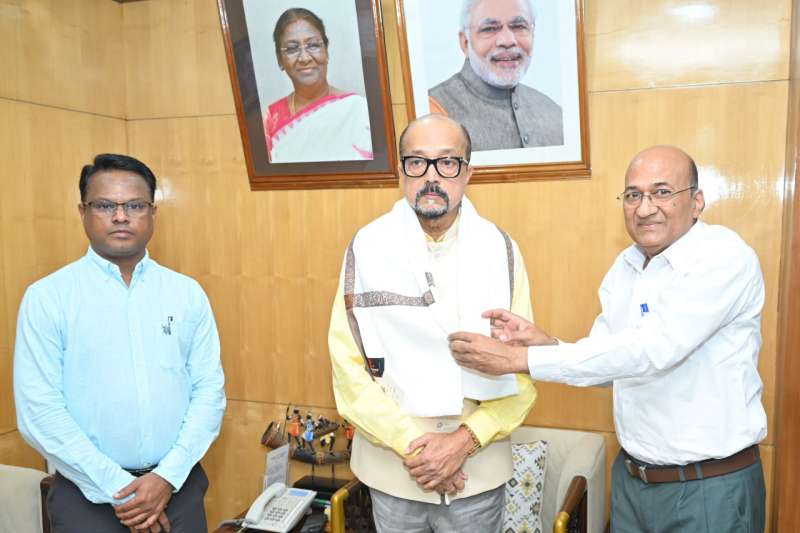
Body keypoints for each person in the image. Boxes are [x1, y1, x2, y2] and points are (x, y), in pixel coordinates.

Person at [449, 146, 767, 532]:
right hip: (634, 482)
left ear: (696, 201)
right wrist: (543, 344)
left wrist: (519, 361)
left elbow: (653, 350)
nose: (645, 208)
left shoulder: (723, 257)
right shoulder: (627, 266)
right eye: (633, 195)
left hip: (708, 488)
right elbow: (609, 363)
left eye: (662, 192)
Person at [329, 114, 536, 532]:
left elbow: (524, 366)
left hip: (476, 470)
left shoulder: (501, 250)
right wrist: (418, 450)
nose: (431, 176)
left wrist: (463, 442)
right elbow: (347, 368)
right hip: (396, 470)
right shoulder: (367, 248)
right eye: (417, 162)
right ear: (400, 172)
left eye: (447, 162)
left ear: (467, 172)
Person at [14, 154, 226, 533]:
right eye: (104, 205)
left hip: (177, 491)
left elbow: (209, 392)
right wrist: (122, 491)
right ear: (83, 212)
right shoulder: (48, 298)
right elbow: (39, 412)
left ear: (153, 213)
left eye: (135, 205)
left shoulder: (186, 293)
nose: (121, 216)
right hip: (87, 500)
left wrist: (165, 477)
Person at [429, 0, 563, 151]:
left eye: (519, 26)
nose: (507, 41)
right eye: (489, 29)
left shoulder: (555, 113)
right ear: (465, 42)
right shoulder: (433, 111)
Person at [264, 8, 373, 163]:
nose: (304, 58)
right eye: (292, 48)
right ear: (280, 60)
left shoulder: (359, 111)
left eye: (313, 45)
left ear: (326, 51)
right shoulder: (271, 120)